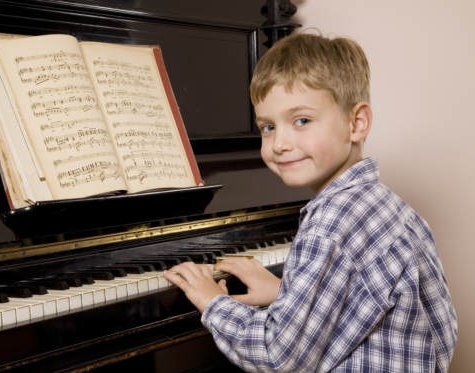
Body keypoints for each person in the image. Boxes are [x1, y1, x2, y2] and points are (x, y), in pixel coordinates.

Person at [163, 31, 457, 372]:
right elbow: (438, 327)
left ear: (356, 123)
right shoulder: (387, 206)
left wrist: (213, 302)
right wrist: (285, 293)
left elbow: (279, 356)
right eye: (268, 127)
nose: (279, 144)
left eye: (301, 121)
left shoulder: (330, 223)